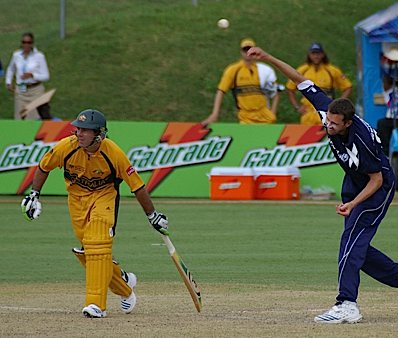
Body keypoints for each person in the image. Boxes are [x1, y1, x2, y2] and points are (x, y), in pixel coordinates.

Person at [247, 46, 398, 324]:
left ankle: (347, 304)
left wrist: (353, 203)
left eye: (334, 124)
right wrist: (269, 57)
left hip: (376, 187)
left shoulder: (363, 140)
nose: (328, 126)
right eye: (327, 120)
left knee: (350, 245)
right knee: (357, 249)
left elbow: (376, 179)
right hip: (355, 183)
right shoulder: (328, 112)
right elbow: (300, 79)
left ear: (348, 123)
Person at [20, 109, 170, 318]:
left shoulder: (113, 153)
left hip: (104, 198)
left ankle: (96, 305)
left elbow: (137, 186)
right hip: (77, 201)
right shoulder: (67, 147)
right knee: (89, 253)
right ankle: (125, 286)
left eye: (84, 130)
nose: (78, 133)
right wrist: (34, 194)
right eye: (78, 129)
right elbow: (44, 167)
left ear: (98, 134)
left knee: (98, 244)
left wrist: (152, 215)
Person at [201, 38, 280, 125]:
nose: (248, 53)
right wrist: (214, 114)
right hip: (246, 118)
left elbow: (275, 93)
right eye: (245, 50)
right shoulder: (233, 69)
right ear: (241, 52)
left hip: (265, 117)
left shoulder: (263, 70)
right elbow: (221, 91)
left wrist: (273, 112)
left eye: (250, 50)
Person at [285, 42, 352, 125]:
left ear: (323, 55)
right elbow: (290, 88)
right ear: (309, 55)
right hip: (308, 112)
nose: (316, 56)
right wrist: (297, 107)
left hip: (326, 110)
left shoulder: (331, 70)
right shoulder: (303, 70)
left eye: (318, 53)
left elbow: (347, 87)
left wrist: (338, 104)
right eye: (313, 53)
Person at [5, 32, 51, 120]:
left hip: (35, 91)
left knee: (33, 118)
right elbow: (11, 69)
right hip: (21, 90)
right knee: (19, 117)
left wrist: (33, 75)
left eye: (28, 42)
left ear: (32, 43)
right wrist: (8, 82)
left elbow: (46, 76)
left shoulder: (39, 56)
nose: (26, 45)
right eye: (24, 42)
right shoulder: (16, 55)